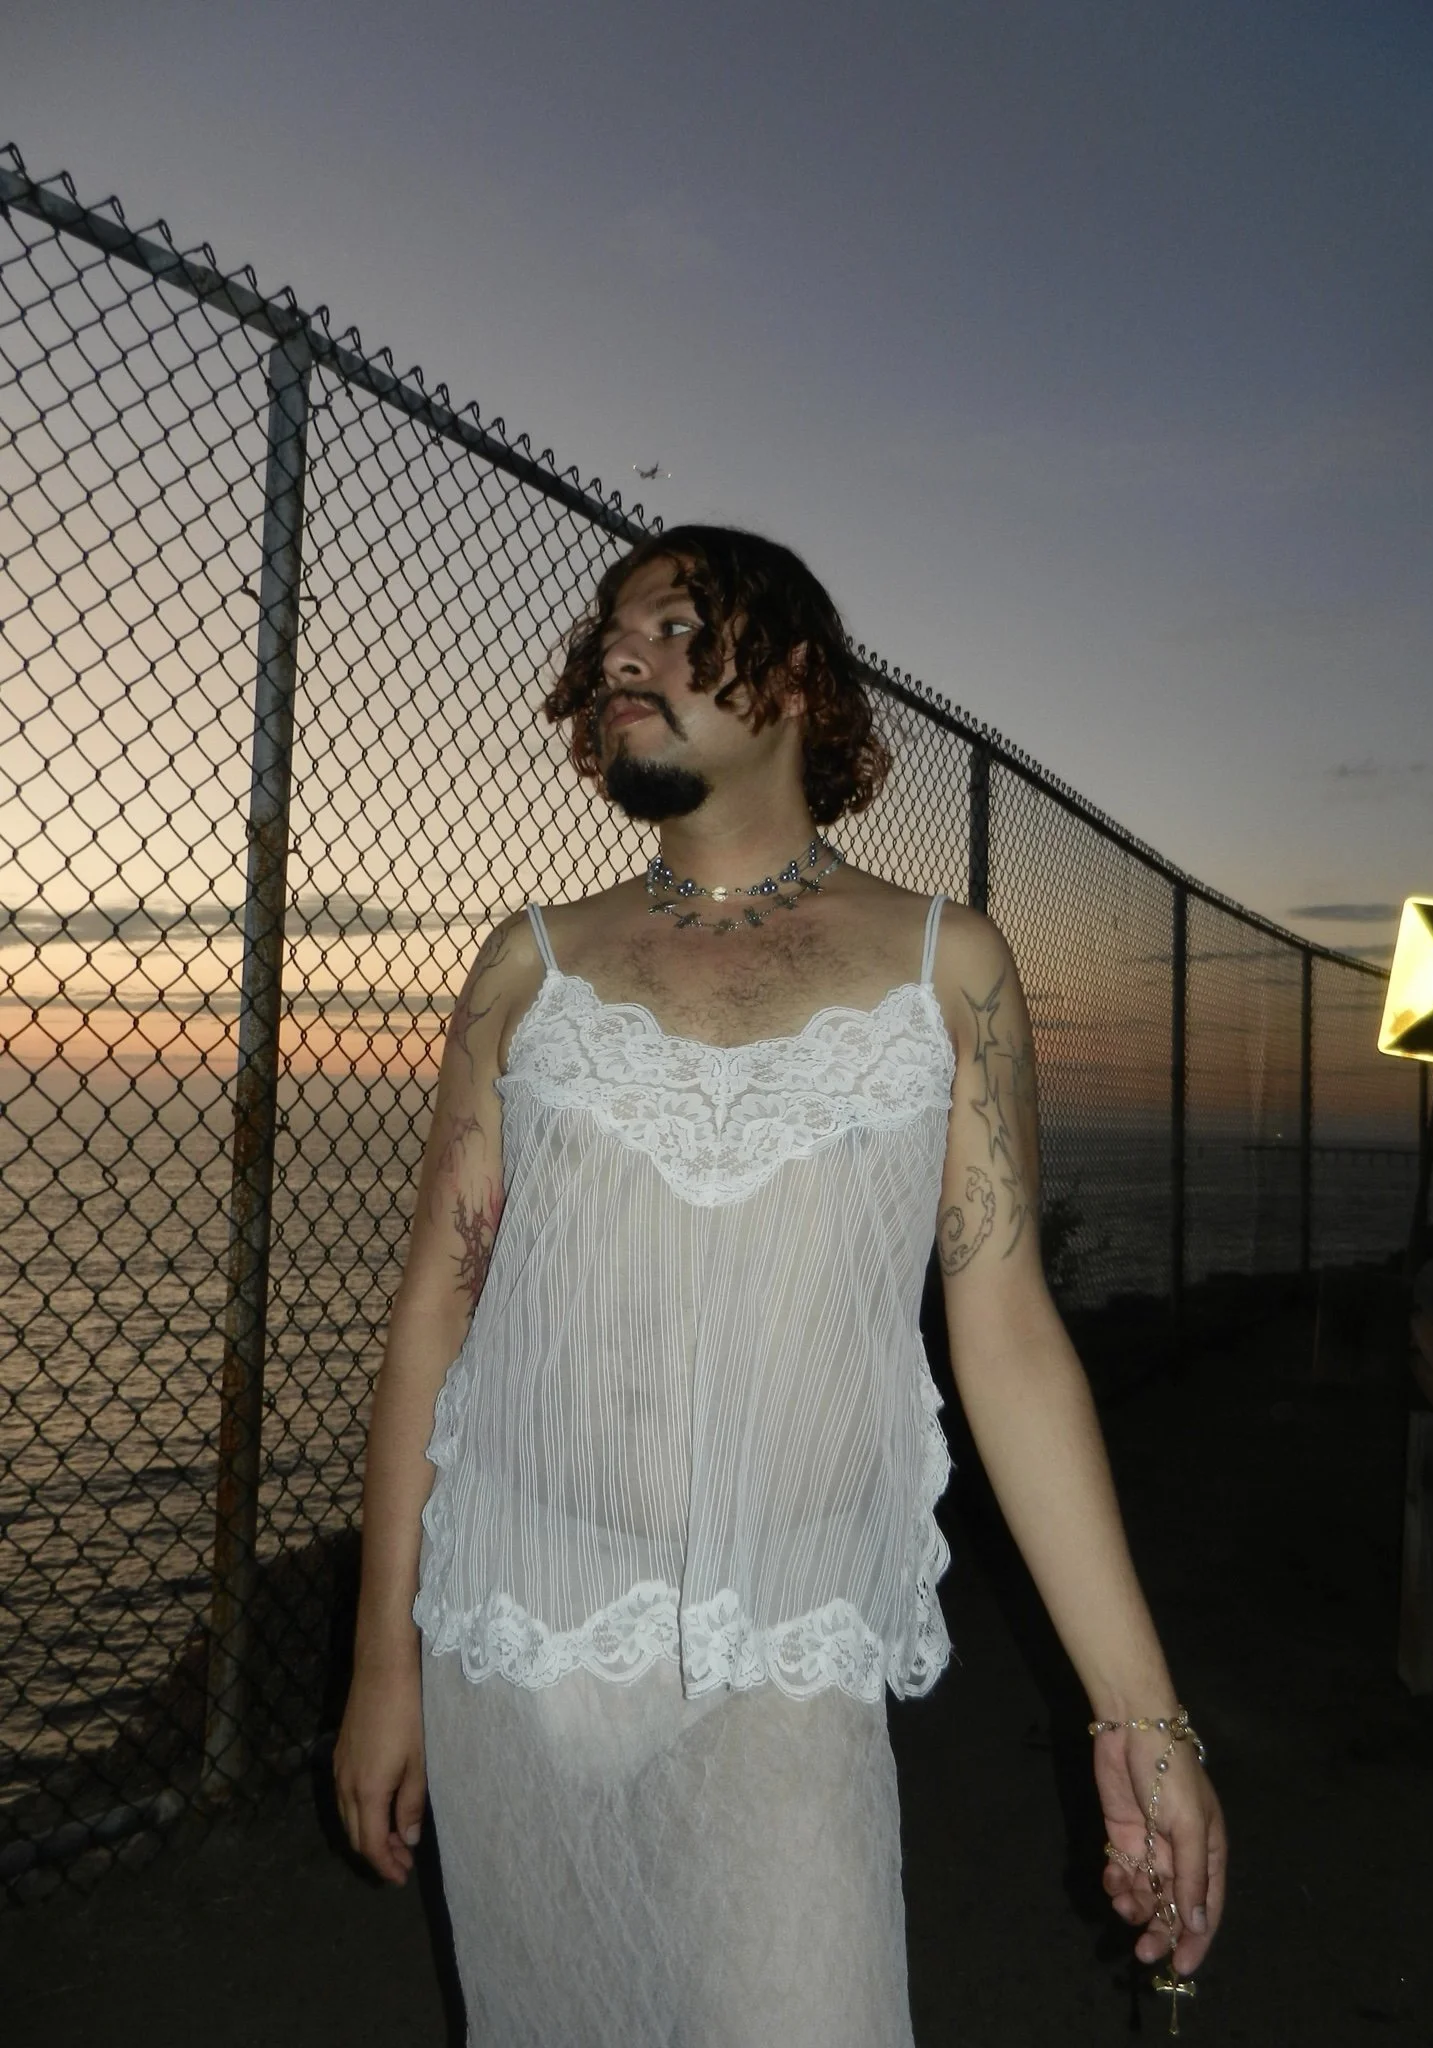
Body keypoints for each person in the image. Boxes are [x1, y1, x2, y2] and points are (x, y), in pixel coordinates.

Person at [333, 525, 1226, 2044]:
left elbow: (1006, 1340)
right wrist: (382, 1661)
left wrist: (1140, 1717)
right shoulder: (526, 969)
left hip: (789, 1660)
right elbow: (440, 1310)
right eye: (611, 636)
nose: (622, 656)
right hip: (517, 1636)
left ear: (799, 679)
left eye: (676, 627)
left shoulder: (951, 968)